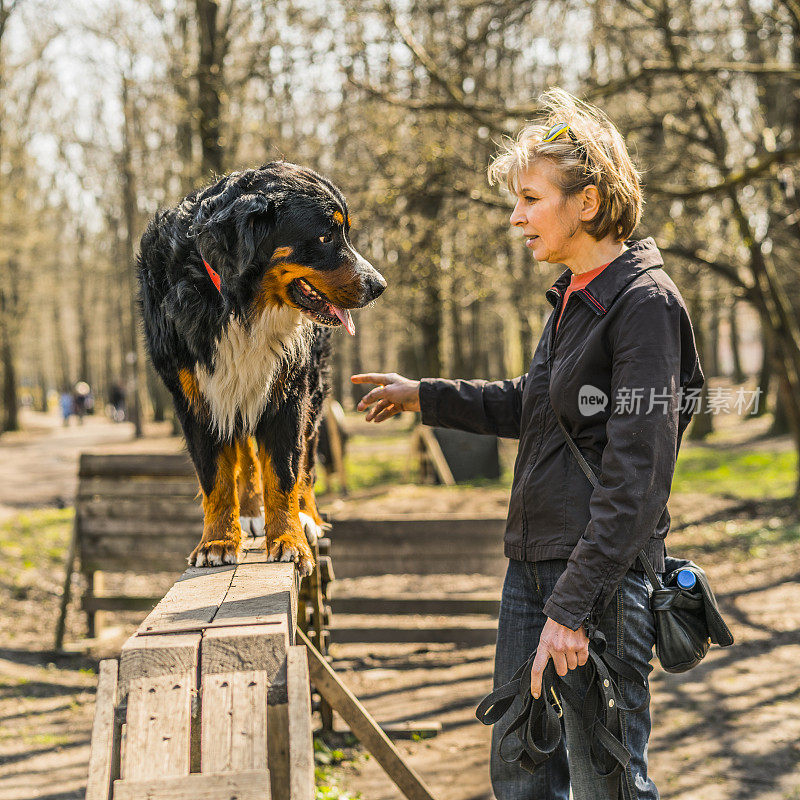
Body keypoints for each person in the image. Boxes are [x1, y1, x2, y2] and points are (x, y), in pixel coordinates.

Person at [352, 87, 704, 800]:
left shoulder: (645, 305)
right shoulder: (573, 294)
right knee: (519, 774)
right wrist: (424, 394)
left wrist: (572, 610)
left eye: (530, 198)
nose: (515, 216)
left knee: (607, 781)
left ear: (589, 202)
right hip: (532, 571)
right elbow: (531, 405)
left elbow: (636, 482)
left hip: (597, 586)